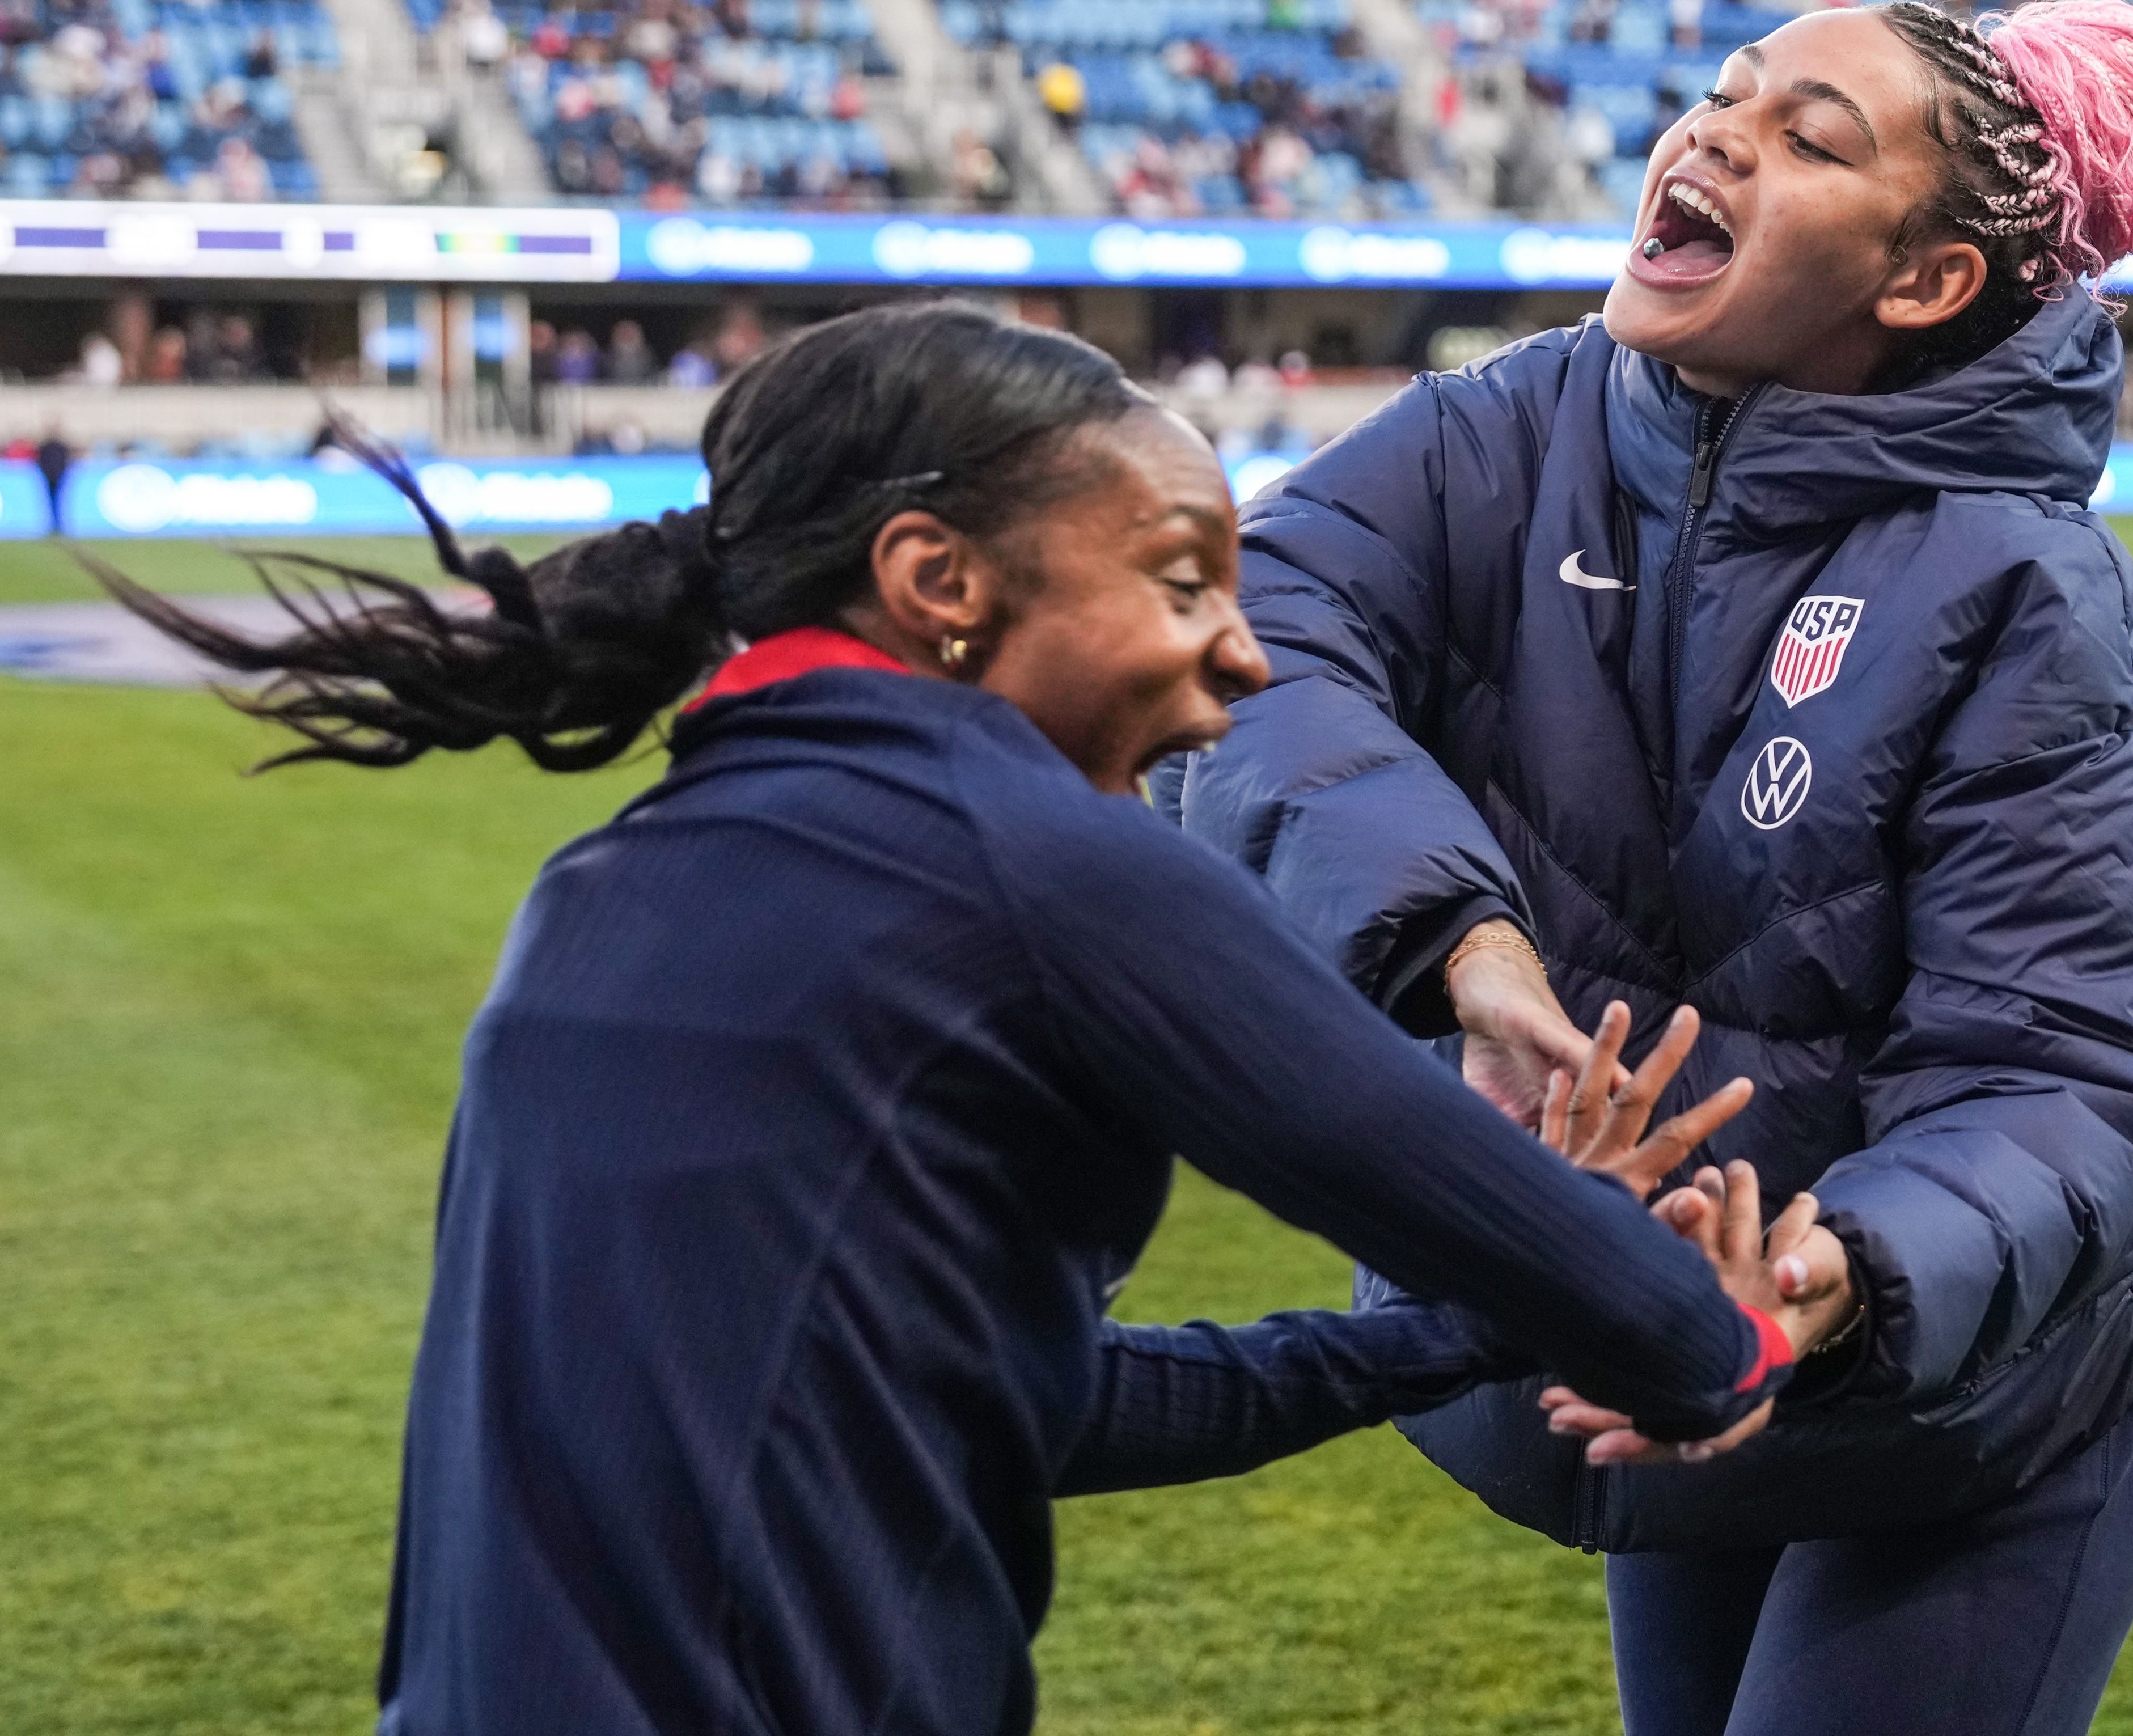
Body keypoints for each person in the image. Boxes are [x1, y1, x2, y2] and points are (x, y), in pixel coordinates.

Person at [96, 303, 1849, 1735]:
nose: (1241, 660)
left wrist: (1465, 1326)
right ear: (938, 581)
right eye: (1180, 583)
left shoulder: (607, 885)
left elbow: (1008, 1404)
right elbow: (1668, 1338)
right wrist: (1713, 1326)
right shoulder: (1037, 865)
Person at [1169, 0, 2133, 1735]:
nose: (1717, 133)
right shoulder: (1501, 430)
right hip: (1655, 1322)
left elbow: (2067, 1076)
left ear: (1925, 284)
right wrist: (1460, 949)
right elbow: (1244, 634)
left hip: (1960, 1386)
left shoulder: (2032, 597)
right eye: (1723, 95)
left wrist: (1820, 1287)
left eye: (1811, 136)